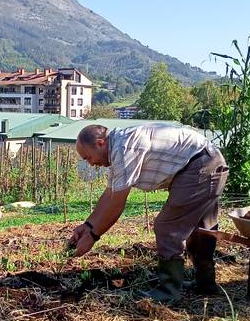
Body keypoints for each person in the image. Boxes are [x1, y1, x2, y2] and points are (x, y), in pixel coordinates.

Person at [69, 123, 229, 303]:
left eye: (88, 158)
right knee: (200, 229)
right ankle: (205, 284)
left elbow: (116, 205)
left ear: (100, 143)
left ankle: (169, 292)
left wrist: (93, 236)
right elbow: (110, 194)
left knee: (167, 227)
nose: (90, 164)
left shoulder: (123, 148)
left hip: (200, 166)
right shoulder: (118, 146)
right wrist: (88, 225)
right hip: (205, 161)